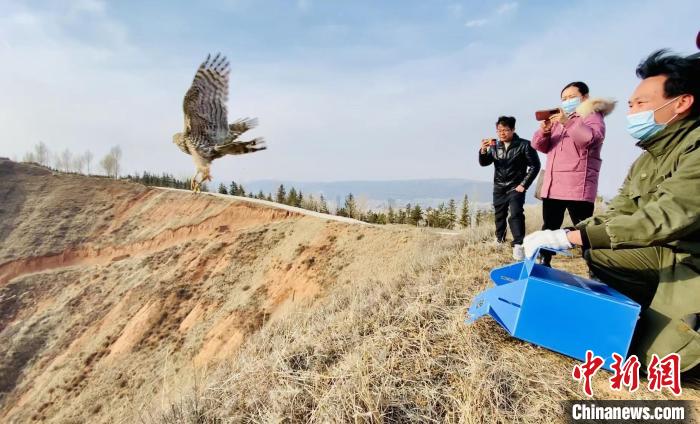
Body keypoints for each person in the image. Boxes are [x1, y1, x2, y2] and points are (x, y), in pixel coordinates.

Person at [524, 50, 700, 373]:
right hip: (665, 254)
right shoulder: (648, 158)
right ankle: (646, 307)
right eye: (631, 105)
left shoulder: (695, 149)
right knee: (599, 252)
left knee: (655, 364)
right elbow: (619, 209)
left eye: (641, 104)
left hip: (691, 260)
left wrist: (576, 235)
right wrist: (563, 235)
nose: (632, 112)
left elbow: (662, 218)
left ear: (681, 103)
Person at [531, 82, 615, 266]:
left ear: (584, 97)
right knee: (549, 227)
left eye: (571, 97)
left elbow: (590, 139)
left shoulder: (592, 115)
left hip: (578, 184)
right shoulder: (560, 119)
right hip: (553, 184)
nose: (567, 101)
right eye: (564, 98)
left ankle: (598, 266)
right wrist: (544, 131)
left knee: (585, 228)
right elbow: (540, 146)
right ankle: (543, 261)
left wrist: (566, 122)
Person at [479, 116, 540, 260]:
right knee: (499, 214)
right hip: (499, 186)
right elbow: (484, 162)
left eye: (505, 130)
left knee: (516, 214)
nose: (502, 133)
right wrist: (483, 150)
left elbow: (535, 166)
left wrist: (523, 184)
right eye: (499, 130)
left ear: (513, 129)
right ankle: (499, 239)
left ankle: (518, 244)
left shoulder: (524, 145)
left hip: (516, 186)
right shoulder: (495, 146)